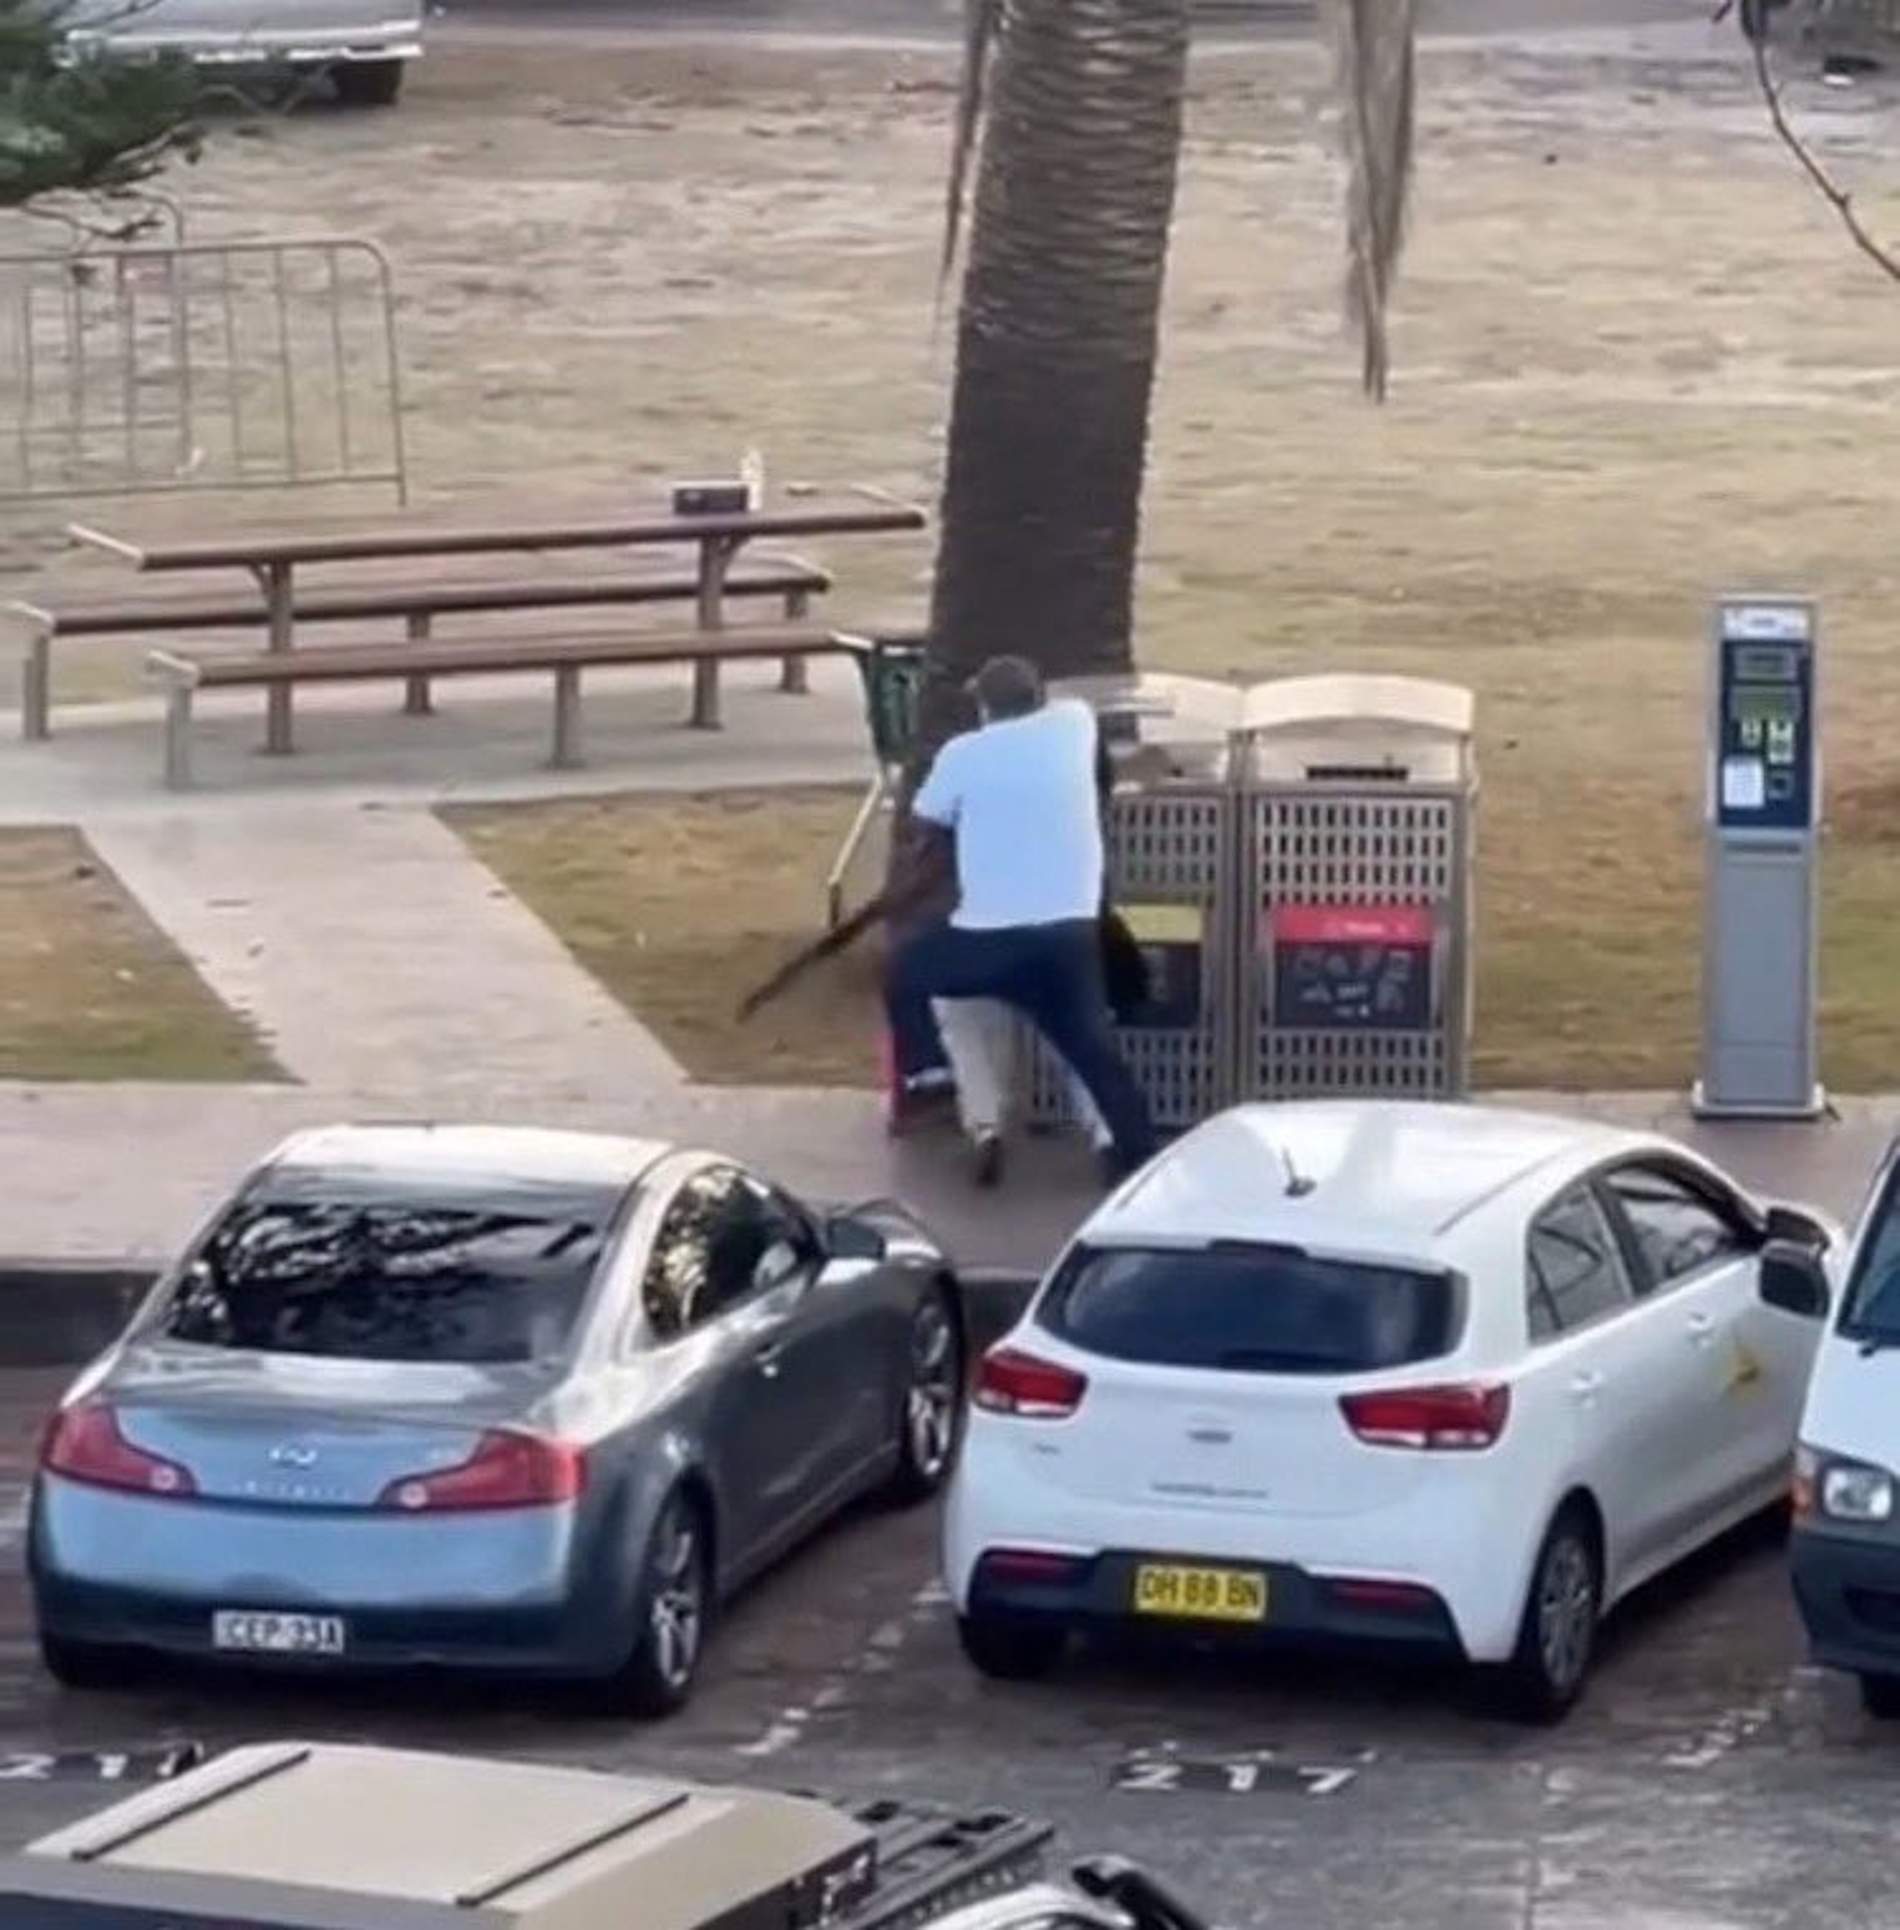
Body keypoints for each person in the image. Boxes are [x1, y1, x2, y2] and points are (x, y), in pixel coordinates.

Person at [886, 656, 1156, 1184]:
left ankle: (944, 1089)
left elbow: (925, 822)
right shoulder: (1074, 723)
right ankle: (1126, 1145)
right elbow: (1098, 769)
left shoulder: (962, 753)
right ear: (1038, 699)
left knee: (908, 972)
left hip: (985, 938)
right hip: (1068, 934)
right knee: (1086, 1045)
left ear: (984, 707)